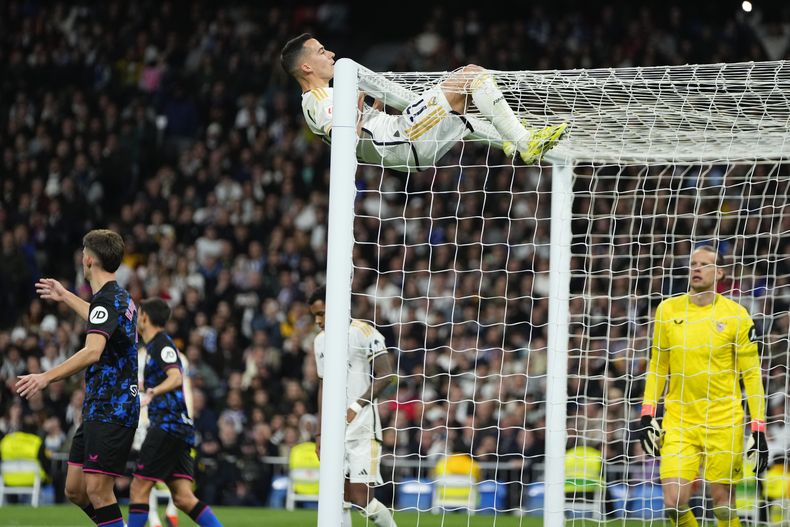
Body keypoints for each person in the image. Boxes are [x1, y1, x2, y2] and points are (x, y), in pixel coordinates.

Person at [280, 33, 567, 173]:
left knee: (468, 94)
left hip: (403, 147)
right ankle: (524, 142)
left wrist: (372, 99)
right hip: (403, 139)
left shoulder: (323, 98)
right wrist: (359, 97)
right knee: (471, 75)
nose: (330, 53)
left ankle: (511, 139)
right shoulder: (318, 100)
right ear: (306, 67)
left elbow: (365, 127)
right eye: (320, 51)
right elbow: (346, 141)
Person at [637, 244, 768, 527]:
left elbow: (752, 375)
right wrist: (647, 414)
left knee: (722, 506)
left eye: (704, 264)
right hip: (680, 420)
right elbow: (658, 366)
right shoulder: (667, 310)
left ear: (719, 272)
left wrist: (758, 428)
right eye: (693, 263)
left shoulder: (737, 316)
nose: (696, 268)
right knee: (673, 503)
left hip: (724, 421)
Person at [17, 229, 139, 527]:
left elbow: (92, 352)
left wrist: (46, 377)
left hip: (114, 406)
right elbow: (100, 316)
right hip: (99, 406)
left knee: (98, 490)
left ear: (88, 259)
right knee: (75, 489)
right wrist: (64, 295)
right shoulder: (115, 298)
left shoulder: (109, 300)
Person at [128, 297, 223, 527]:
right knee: (182, 497)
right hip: (178, 429)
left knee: (139, 487)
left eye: (138, 314)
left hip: (166, 426)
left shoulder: (162, 344)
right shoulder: (155, 347)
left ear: (144, 317)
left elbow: (176, 376)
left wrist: (152, 392)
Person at [308, 286, 398, 527]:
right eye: (314, 315)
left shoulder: (362, 331)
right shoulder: (320, 342)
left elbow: (386, 374)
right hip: (334, 432)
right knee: (336, 498)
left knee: (362, 500)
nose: (318, 320)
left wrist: (356, 406)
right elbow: (322, 386)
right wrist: (319, 433)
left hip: (363, 428)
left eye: (322, 313)